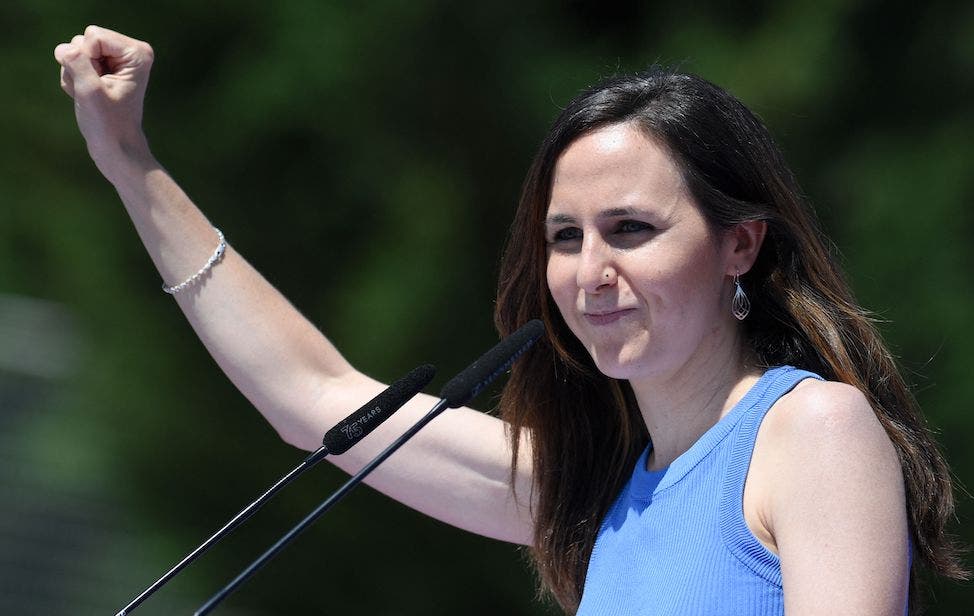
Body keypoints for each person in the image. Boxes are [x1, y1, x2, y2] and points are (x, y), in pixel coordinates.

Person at [54, 25, 965, 615]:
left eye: (633, 230)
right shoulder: (596, 488)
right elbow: (316, 398)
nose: (590, 272)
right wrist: (129, 161)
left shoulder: (812, 430)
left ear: (741, 246)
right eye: (565, 237)